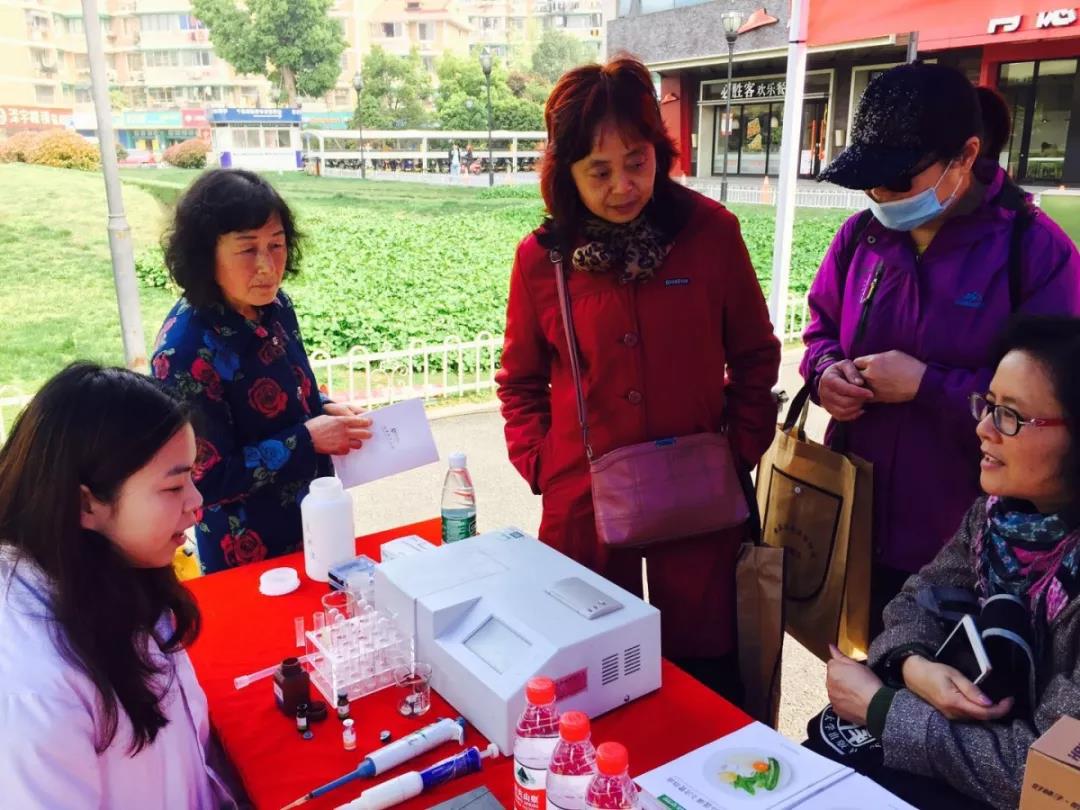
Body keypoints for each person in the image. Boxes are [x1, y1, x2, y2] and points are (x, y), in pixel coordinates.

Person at [495, 57, 781, 699]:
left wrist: (740, 447)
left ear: (660, 151)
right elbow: (520, 382)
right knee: (592, 683)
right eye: (599, 171)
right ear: (565, 171)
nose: (623, 185)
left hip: (701, 504)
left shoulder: (710, 234)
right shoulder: (542, 259)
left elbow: (756, 354)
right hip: (583, 509)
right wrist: (545, 465)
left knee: (705, 681)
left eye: (637, 161)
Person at [802, 62, 1080, 631]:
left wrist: (928, 386)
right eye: (870, 183)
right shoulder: (861, 237)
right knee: (862, 661)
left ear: (966, 156)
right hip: (858, 516)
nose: (881, 197)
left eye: (898, 181)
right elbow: (820, 328)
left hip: (968, 542)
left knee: (943, 673)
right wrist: (825, 373)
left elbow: (1053, 409)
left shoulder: (1034, 253)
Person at [815, 315, 1080, 810]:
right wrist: (913, 664)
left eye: (1011, 416)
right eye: (989, 405)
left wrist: (881, 708)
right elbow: (912, 603)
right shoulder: (997, 518)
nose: (983, 428)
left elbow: (1047, 774)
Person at [0, 363, 240, 808]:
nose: (197, 502)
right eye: (173, 487)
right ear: (86, 504)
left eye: (192, 476)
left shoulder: (118, 566)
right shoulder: (33, 691)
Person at [152, 169, 371, 574]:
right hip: (246, 551)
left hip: (314, 520)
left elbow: (291, 391)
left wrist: (324, 407)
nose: (268, 266)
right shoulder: (185, 350)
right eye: (247, 249)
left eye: (276, 245)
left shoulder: (276, 307)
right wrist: (307, 438)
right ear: (206, 254)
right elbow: (206, 480)